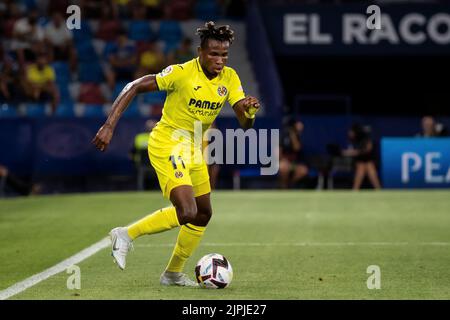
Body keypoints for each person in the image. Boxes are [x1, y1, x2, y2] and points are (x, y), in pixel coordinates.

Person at [92, 21, 260, 286]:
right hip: (168, 143)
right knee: (187, 210)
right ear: (201, 52)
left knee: (203, 213)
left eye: (224, 54)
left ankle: (172, 273)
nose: (220, 60)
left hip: (193, 147)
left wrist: (249, 111)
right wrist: (109, 125)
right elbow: (134, 86)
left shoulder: (230, 77)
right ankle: (125, 234)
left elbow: (244, 121)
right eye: (214, 54)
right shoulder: (181, 73)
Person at [342, 124, 381, 190]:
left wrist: (354, 152)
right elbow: (351, 151)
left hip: (370, 160)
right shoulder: (352, 140)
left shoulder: (366, 137)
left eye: (351, 131)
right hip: (358, 161)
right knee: (362, 166)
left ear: (355, 132)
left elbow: (368, 149)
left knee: (368, 165)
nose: (349, 133)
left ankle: (377, 189)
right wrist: (347, 152)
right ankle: (355, 189)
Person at [279, 118, 309, 188]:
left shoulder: (297, 135)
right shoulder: (283, 136)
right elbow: (279, 151)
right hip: (285, 161)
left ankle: (290, 184)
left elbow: (297, 148)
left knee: (303, 171)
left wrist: (293, 135)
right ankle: (284, 187)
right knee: (283, 168)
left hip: (296, 162)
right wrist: (281, 160)